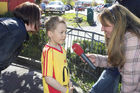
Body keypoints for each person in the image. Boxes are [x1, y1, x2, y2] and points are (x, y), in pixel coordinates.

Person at [86, 4, 140, 93]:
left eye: (105, 25)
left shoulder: (132, 38)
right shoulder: (124, 37)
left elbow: (130, 79)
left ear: (118, 24)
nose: (102, 29)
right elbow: (118, 62)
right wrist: (97, 59)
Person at [0, 2, 41, 73]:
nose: (40, 22)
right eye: (39, 19)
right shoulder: (18, 31)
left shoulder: (13, 24)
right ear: (31, 17)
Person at [41, 16, 74, 93]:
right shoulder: (48, 52)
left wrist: (68, 82)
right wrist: (65, 90)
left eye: (65, 32)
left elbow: (65, 68)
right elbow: (48, 78)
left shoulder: (62, 49)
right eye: (61, 32)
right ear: (50, 33)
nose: (64, 35)